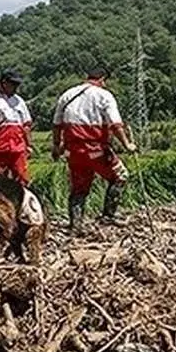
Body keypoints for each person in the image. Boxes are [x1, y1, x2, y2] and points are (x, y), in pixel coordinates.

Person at [51, 67, 138, 232]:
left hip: (73, 152)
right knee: (120, 176)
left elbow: (56, 125)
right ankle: (108, 216)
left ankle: (76, 224)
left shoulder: (67, 94)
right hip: (96, 149)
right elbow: (115, 125)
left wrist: (57, 147)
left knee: (79, 188)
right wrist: (127, 144)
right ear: (103, 80)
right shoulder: (104, 95)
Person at [0, 69, 33, 187]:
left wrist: (29, 145)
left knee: (22, 177)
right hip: (0, 146)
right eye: (13, 84)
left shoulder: (20, 101)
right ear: (4, 83)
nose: (16, 87)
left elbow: (26, 125)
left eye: (17, 84)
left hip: (18, 146)